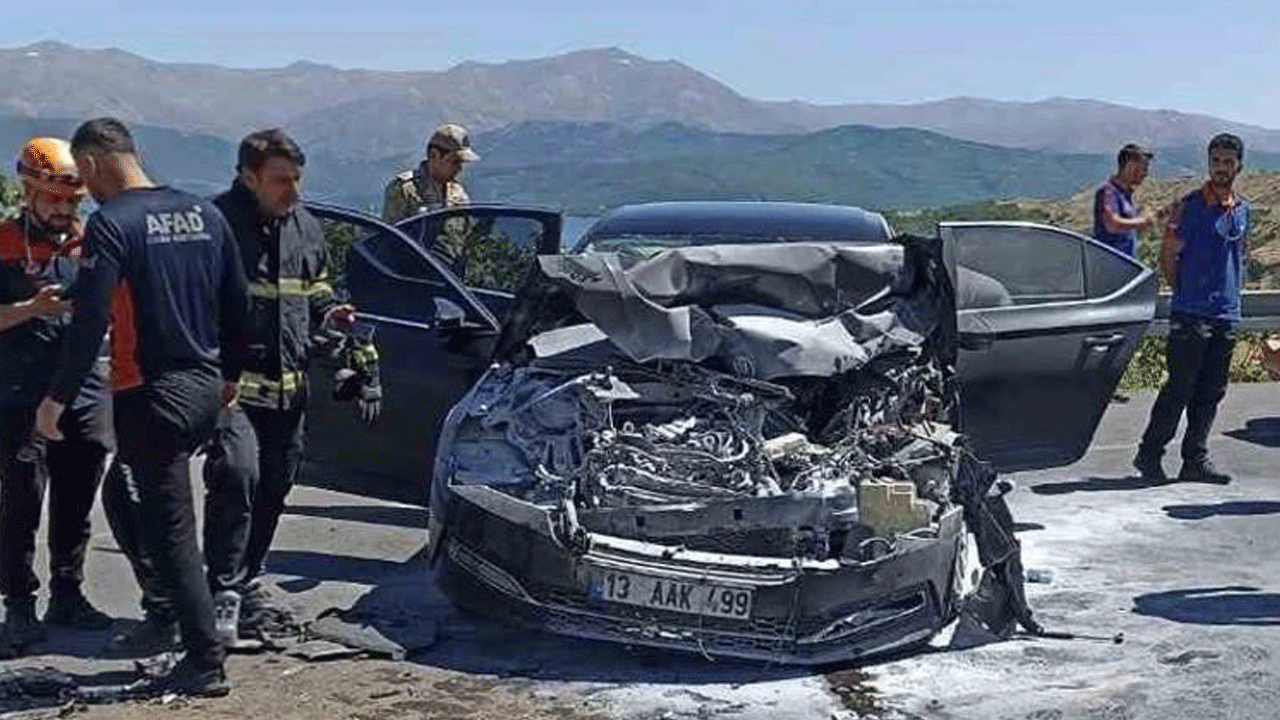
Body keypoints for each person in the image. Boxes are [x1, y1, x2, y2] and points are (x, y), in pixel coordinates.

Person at [34, 117, 248, 697]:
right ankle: (168, 622)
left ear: (93, 163)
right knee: (136, 505)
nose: (86, 190)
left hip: (148, 393)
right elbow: (236, 300)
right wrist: (230, 375)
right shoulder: (205, 213)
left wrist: (57, 398)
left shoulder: (113, 223)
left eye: (84, 178)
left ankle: (204, 660)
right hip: (204, 386)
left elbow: (92, 322)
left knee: (170, 529)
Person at [203, 129, 363, 644]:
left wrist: (331, 313)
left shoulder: (305, 227)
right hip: (233, 392)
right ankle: (221, 594)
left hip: (290, 390)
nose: (292, 191)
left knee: (274, 487)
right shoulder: (216, 224)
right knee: (237, 480)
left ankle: (246, 584)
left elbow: (317, 288)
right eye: (280, 181)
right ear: (248, 177)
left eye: (297, 179)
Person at [0, 138, 114, 658]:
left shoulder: (91, 244)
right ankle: (19, 603)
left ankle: (68, 593)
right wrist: (30, 309)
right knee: (21, 500)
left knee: (77, 496)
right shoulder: (5, 242)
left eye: (72, 201)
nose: (64, 210)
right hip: (18, 392)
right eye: (54, 200)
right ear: (29, 192)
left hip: (83, 391)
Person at [1133, 133, 1250, 484]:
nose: (1221, 168)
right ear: (1209, 163)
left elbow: (1240, 255)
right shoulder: (1189, 206)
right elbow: (1168, 255)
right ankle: (1149, 454)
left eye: (1228, 162)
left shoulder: (1243, 209)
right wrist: (1184, 292)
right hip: (1191, 313)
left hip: (1226, 314)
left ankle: (1195, 459)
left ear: (1239, 166)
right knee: (1179, 388)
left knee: (1211, 392)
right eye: (1216, 161)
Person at [381, 123, 479, 262]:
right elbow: (389, 241)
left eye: (461, 163)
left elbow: (464, 238)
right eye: (454, 162)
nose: (459, 168)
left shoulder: (458, 193)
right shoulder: (405, 189)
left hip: (448, 271)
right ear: (434, 155)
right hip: (413, 270)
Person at [1093, 143, 1158, 258]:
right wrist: (1142, 222)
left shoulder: (1124, 194)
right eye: (1144, 168)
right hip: (1109, 263)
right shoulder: (1109, 192)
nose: (1145, 174)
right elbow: (1112, 225)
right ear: (1131, 166)